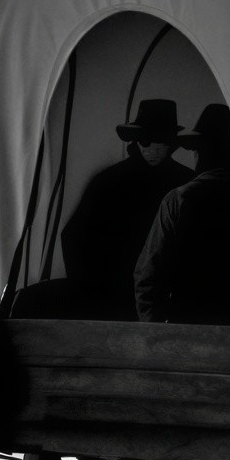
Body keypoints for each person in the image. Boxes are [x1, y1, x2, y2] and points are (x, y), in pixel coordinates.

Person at [133, 103, 230, 325]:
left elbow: (147, 278)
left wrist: (156, 336)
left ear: (200, 151)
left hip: (189, 327)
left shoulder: (178, 200)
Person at [59, 98, 192, 310]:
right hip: (112, 299)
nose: (154, 149)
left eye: (161, 142)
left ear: (171, 144)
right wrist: (91, 296)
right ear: (136, 140)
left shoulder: (187, 184)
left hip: (169, 301)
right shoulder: (109, 182)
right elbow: (74, 237)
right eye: (146, 141)